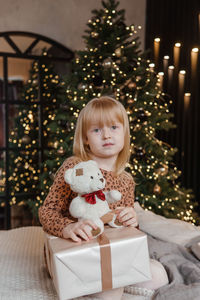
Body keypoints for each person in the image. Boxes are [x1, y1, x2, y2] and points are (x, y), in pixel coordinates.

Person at [39, 96, 168, 300]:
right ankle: (102, 286)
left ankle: (111, 283)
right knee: (111, 289)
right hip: (79, 250)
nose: (106, 135)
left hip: (110, 250)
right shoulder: (75, 167)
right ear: (85, 139)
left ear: (125, 134)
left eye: (114, 127)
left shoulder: (125, 180)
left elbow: (125, 230)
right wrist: (67, 227)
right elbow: (47, 211)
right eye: (97, 130)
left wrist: (130, 219)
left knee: (159, 276)